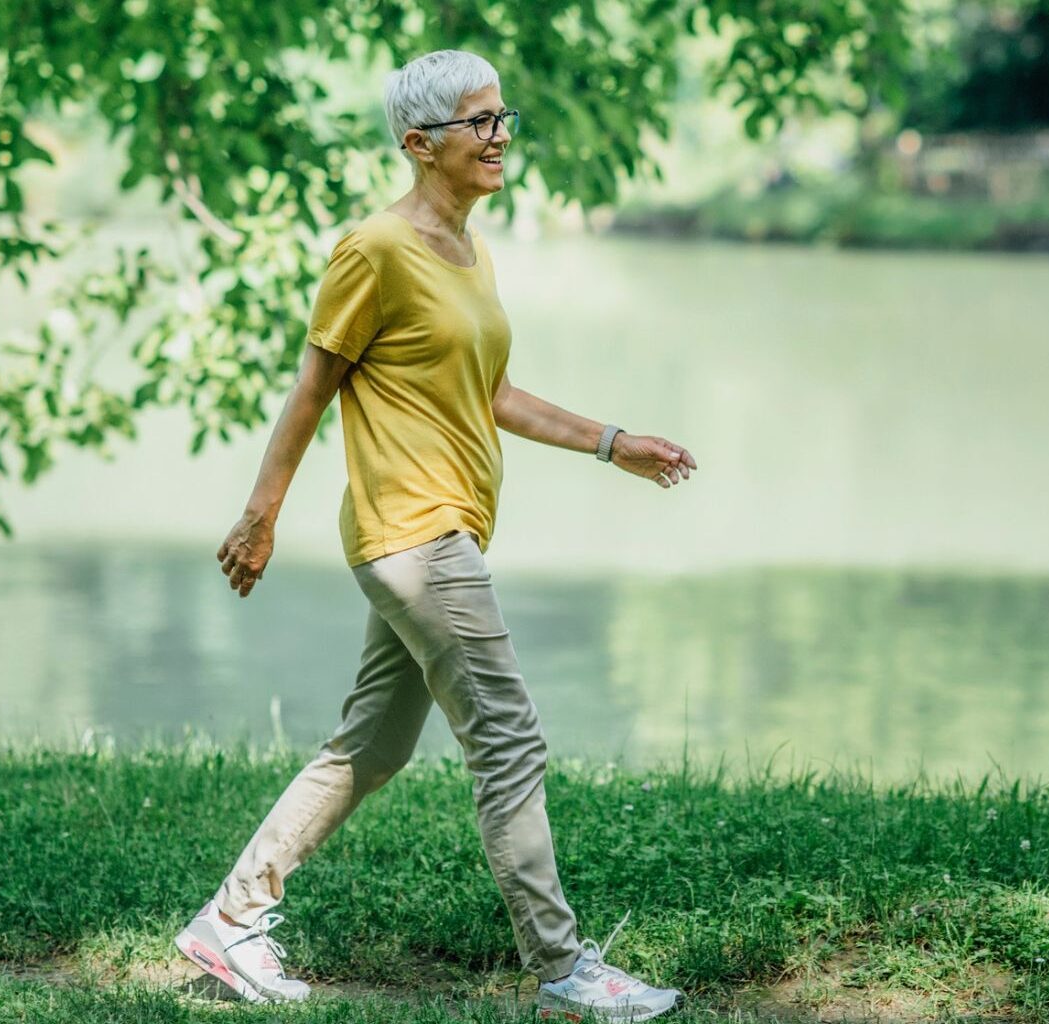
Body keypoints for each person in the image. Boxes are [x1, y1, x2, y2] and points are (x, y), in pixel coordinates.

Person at [173, 49, 698, 1022]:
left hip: (441, 530)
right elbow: (312, 386)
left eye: (504, 117)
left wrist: (611, 441)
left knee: (369, 748)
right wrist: (260, 512)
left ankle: (229, 920)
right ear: (420, 145)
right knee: (508, 735)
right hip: (413, 535)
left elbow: (490, 393)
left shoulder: (468, 250)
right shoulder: (374, 248)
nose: (502, 137)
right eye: (480, 122)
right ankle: (564, 970)